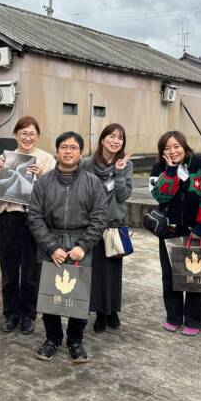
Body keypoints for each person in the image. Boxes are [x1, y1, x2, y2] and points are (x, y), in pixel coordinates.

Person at [28, 131, 107, 363]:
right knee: (50, 295)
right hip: (50, 244)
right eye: (64, 147)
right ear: (57, 151)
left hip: (80, 244)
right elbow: (34, 217)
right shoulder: (43, 183)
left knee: (78, 296)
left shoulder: (92, 183)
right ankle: (52, 338)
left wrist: (83, 245)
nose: (68, 151)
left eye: (73, 147)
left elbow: (100, 216)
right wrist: (51, 246)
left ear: (81, 153)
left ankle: (75, 340)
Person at [0, 116, 56, 335]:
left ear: (38, 136)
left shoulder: (46, 160)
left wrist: (43, 176)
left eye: (32, 133)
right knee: (8, 270)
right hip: (10, 218)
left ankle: (28, 314)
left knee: (30, 271)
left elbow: (55, 193)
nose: (28, 137)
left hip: (35, 220)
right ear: (14, 135)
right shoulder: (3, 159)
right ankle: (10, 314)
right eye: (23, 133)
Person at [149, 131, 201, 336]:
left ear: (185, 146)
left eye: (176, 146)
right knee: (170, 277)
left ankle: (194, 320)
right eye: (167, 148)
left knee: (197, 276)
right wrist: (170, 171)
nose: (172, 151)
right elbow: (161, 196)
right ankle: (174, 317)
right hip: (170, 230)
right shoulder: (159, 168)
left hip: (198, 231)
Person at [81, 123, 132, 333]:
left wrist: (119, 173)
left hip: (114, 226)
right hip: (92, 226)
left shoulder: (126, 165)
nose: (115, 141)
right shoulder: (87, 164)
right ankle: (100, 313)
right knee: (94, 271)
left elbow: (123, 196)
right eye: (111, 136)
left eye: (120, 138)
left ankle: (113, 310)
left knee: (113, 271)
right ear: (102, 139)